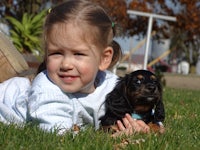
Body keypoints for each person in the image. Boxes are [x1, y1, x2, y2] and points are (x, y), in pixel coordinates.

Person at [0, 0, 149, 136]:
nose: (66, 65)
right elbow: (58, 134)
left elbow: (136, 108)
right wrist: (111, 139)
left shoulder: (111, 85)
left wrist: (137, 124)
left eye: (78, 54)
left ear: (104, 59)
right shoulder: (46, 91)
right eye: (56, 53)